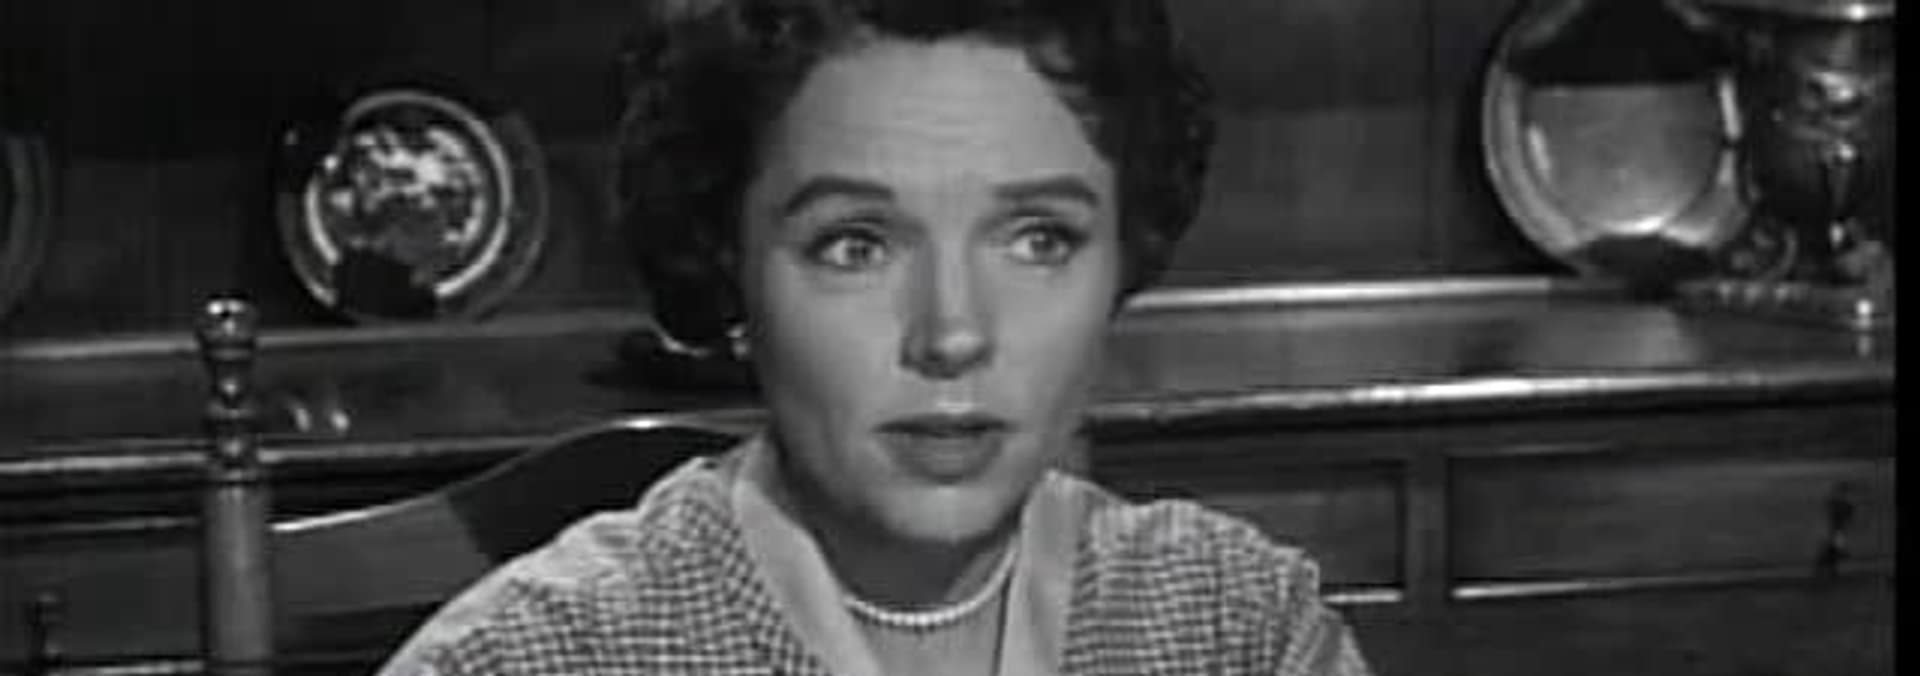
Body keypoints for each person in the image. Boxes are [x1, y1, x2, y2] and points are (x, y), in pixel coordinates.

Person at [378, 0, 1373, 673]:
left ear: (1125, 257)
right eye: (855, 244)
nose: (952, 334)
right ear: (727, 259)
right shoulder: (528, 660)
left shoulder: (1236, 630)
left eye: (1039, 239)